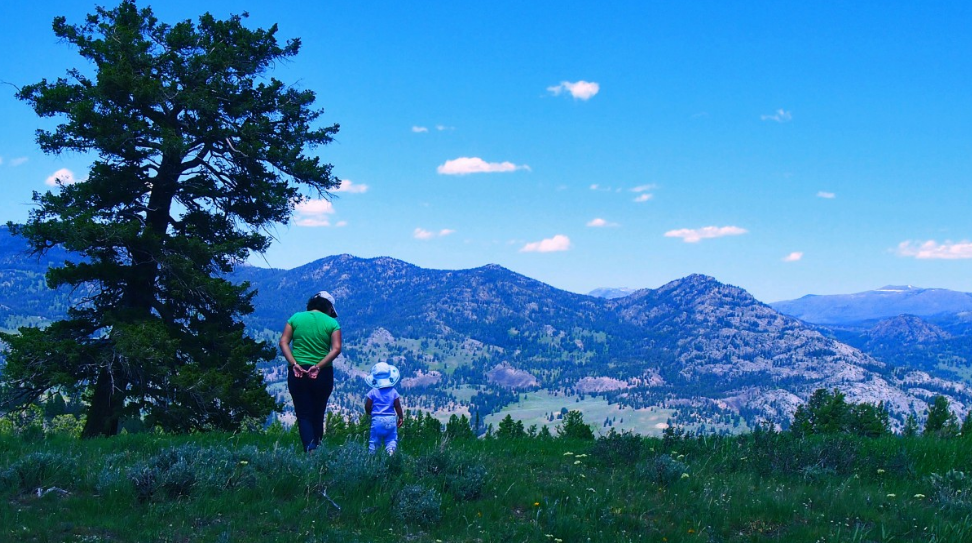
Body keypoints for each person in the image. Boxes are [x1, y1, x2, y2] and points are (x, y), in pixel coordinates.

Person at [279, 291, 342, 452]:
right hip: (322, 373)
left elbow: (283, 342)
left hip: (297, 372)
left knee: (304, 414)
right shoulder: (332, 323)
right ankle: (318, 449)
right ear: (328, 308)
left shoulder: (295, 318)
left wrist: (294, 364)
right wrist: (318, 366)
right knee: (318, 413)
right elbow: (336, 349)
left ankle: (310, 449)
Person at [364, 362, 404, 454]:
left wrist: (369, 412)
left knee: (374, 442)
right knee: (391, 440)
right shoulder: (393, 392)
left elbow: (367, 405)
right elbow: (397, 406)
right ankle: (391, 457)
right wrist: (401, 417)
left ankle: (372, 460)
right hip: (391, 420)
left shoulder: (373, 392)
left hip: (377, 420)